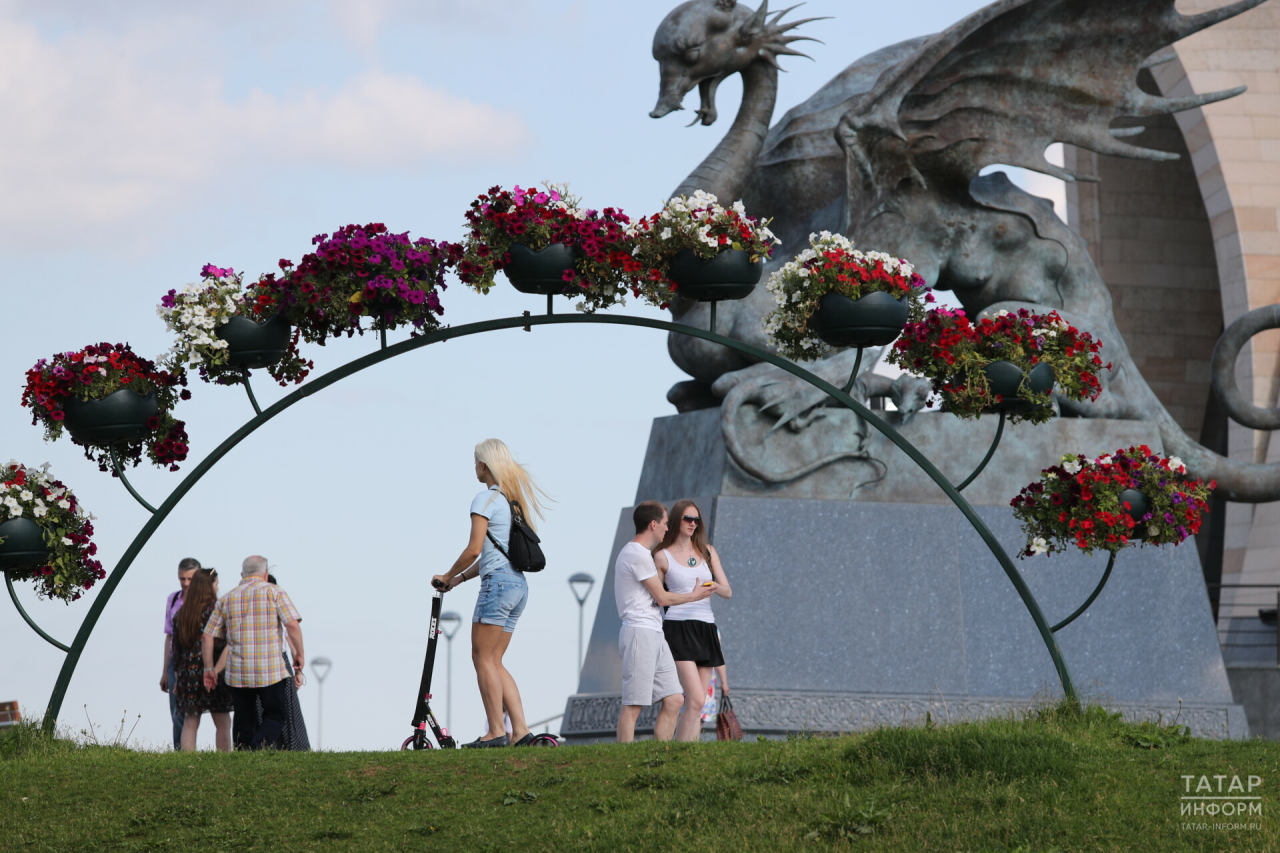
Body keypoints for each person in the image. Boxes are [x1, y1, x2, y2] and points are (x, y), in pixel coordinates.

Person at [433, 438, 549, 748]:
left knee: (482, 657)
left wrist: (446, 574)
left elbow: (474, 549)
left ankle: (496, 731)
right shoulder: (511, 502)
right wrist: (457, 580)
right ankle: (521, 731)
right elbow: (494, 554)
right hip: (518, 586)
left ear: (484, 465)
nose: (474, 467)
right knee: (495, 660)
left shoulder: (484, 500)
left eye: (475, 461)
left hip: (497, 586)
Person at [615, 501, 717, 743]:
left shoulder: (643, 555)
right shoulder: (636, 554)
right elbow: (661, 597)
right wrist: (693, 596)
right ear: (653, 524)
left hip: (654, 632)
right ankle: (621, 762)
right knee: (634, 705)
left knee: (675, 699)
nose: (666, 528)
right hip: (639, 631)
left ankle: (664, 756)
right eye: (664, 523)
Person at [202, 555, 304, 750]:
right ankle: (258, 748)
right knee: (275, 715)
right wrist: (299, 654)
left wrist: (208, 668)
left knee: (243, 717)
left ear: (242, 574)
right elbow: (292, 625)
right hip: (271, 668)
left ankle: (243, 755)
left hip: (238, 669)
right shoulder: (275, 593)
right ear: (265, 574)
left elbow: (207, 636)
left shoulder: (227, 598)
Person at [654, 498, 733, 742]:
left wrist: (714, 586)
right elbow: (660, 598)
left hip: (706, 626)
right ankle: (679, 749)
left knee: (698, 704)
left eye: (696, 520)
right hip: (678, 627)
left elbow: (728, 592)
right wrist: (691, 596)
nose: (692, 524)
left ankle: (687, 752)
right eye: (688, 518)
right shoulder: (662, 556)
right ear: (677, 520)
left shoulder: (708, 551)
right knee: (696, 697)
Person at [171, 568, 232, 751]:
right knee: (222, 720)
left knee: (190, 720)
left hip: (187, 671)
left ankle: (187, 760)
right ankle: (224, 759)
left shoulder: (182, 614)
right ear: (209, 585)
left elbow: (176, 649)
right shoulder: (215, 610)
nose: (218, 587)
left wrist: (176, 676)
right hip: (212, 669)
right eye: (216, 583)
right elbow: (222, 641)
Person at [253, 573, 310, 751]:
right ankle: (287, 747)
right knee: (284, 710)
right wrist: (298, 663)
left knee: (273, 710)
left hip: (260, 661)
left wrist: (298, 667)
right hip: (277, 660)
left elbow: (288, 633)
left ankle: (266, 747)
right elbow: (291, 631)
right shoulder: (275, 601)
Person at [160, 557, 201, 750]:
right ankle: (181, 751)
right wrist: (164, 671)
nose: (185, 583)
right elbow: (169, 636)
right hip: (175, 661)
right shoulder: (173, 599)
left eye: (189, 579)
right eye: (182, 579)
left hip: (198, 661)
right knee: (177, 711)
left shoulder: (206, 601)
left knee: (199, 711)